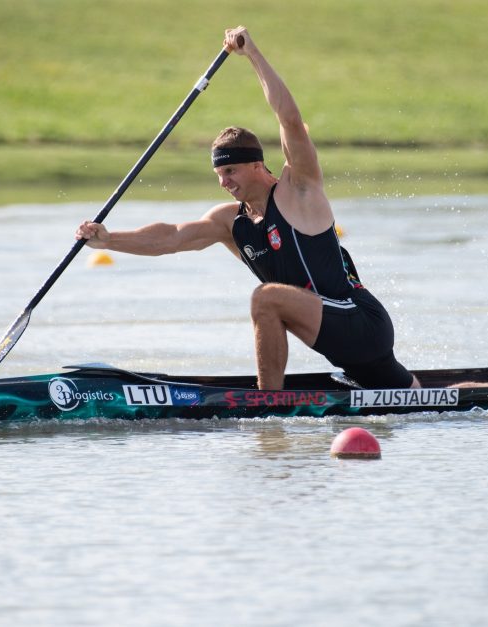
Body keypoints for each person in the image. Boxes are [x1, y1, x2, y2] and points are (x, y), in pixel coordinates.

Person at [76, 26, 418, 391]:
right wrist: (109, 240)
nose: (224, 182)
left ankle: (266, 402)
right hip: (344, 344)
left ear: (257, 165)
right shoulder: (230, 222)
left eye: (230, 171)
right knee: (407, 390)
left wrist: (252, 54)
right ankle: (420, 389)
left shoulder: (298, 190)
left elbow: (289, 119)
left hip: (361, 321)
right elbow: (171, 238)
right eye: (219, 174)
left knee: (265, 300)